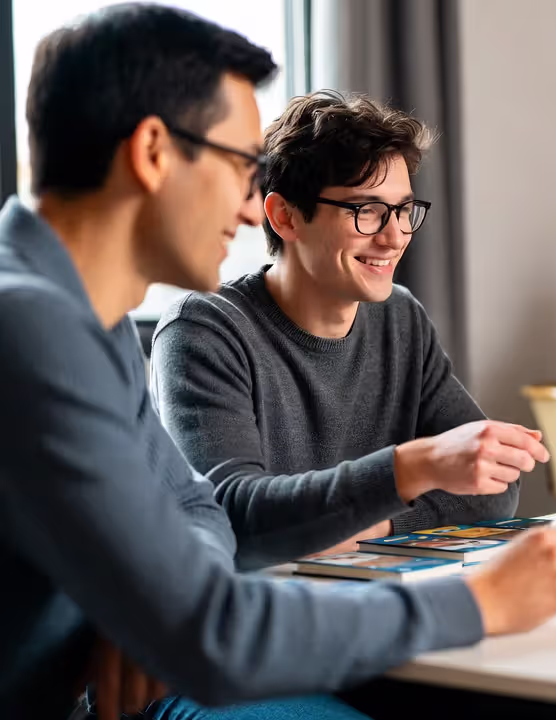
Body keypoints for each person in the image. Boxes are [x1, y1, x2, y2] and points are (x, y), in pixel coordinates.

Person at [0, 6, 556, 720]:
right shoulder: (30, 327)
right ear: (153, 152)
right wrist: (478, 600)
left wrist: (164, 607)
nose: (249, 208)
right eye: (239, 166)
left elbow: (193, 509)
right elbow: (219, 601)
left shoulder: (97, 323)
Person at [151, 90, 526, 561]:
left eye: (404, 210)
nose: (394, 237)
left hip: (377, 590)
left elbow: (494, 485)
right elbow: (234, 517)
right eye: (365, 211)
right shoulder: (204, 331)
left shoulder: (400, 318)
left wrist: (363, 527)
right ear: (284, 216)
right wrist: (410, 471)